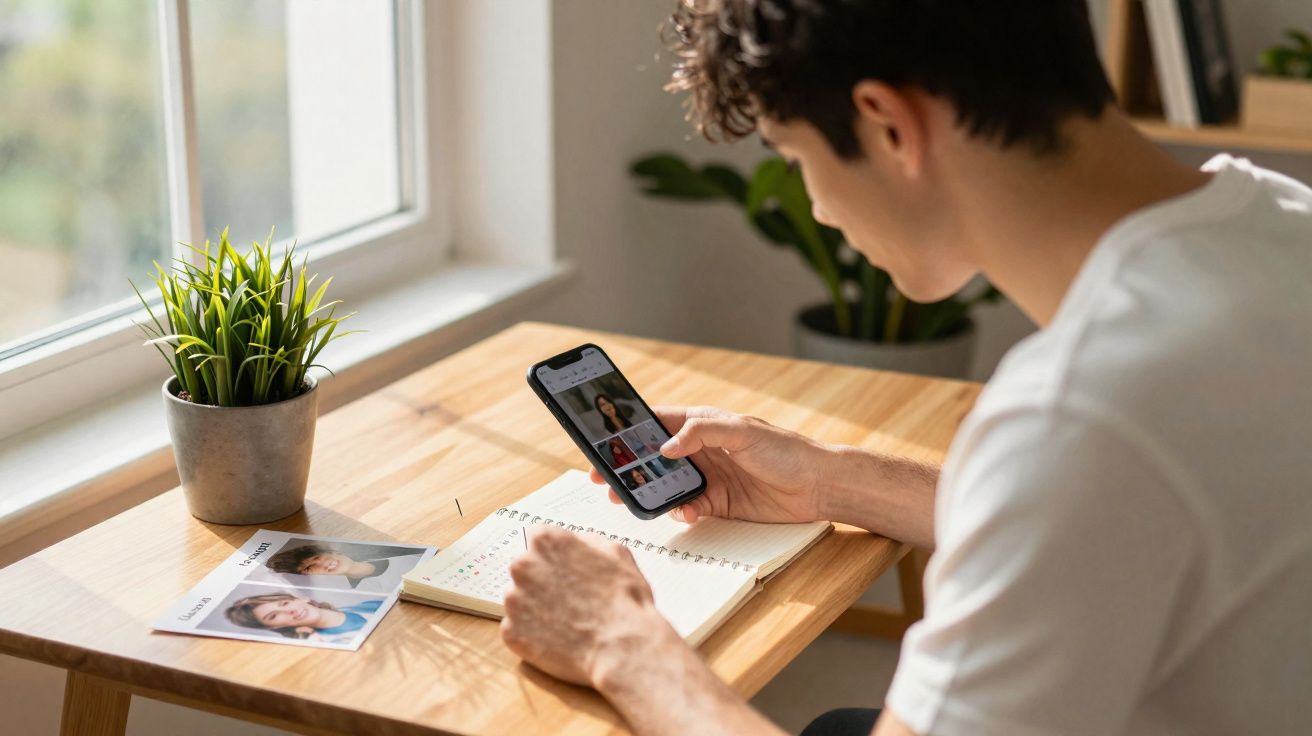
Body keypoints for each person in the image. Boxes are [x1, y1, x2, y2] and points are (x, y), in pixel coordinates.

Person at [498, 2, 1312, 735]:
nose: (816, 207)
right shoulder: (1282, 217)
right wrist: (831, 481)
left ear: (888, 125)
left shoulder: (1079, 416)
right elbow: (1121, 521)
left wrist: (624, 646)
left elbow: (1086, 474)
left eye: (795, 156)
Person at [265, 543, 424, 594]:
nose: (322, 564)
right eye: (309, 568)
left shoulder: (400, 552)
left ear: (331, 551)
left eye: (317, 557)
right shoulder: (366, 593)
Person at [225, 592, 383, 642]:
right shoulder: (331, 644)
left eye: (285, 604)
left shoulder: (370, 605)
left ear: (300, 599)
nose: (289, 611)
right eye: (273, 616)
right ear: (274, 627)